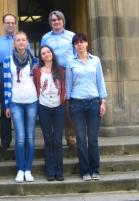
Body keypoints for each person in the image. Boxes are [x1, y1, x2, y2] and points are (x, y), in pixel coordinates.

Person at [66, 33, 107, 181]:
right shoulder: (71, 63)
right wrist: (68, 104)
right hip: (77, 104)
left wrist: (103, 101)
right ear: (74, 46)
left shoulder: (95, 60)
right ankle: (85, 171)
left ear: (87, 43)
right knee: (81, 139)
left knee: (93, 139)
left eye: (82, 41)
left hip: (94, 103)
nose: (80, 45)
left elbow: (100, 81)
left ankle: (95, 169)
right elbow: (68, 84)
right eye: (76, 43)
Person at [3, 31, 38, 183]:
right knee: (20, 137)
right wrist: (7, 104)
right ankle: (20, 169)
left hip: (32, 101)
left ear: (27, 42)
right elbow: (5, 83)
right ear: (14, 43)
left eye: (23, 40)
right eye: (18, 40)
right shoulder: (7, 59)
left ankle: (28, 169)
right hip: (15, 101)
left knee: (30, 137)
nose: (21, 42)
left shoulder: (34, 60)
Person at [41, 10, 76, 147]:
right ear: (50, 23)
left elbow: (76, 54)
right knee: (54, 102)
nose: (56, 22)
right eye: (53, 20)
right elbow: (43, 54)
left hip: (67, 72)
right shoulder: (46, 38)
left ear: (63, 21)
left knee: (67, 104)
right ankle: (54, 139)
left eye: (58, 19)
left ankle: (71, 136)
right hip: (51, 72)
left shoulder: (71, 36)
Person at [0, 13, 21, 157]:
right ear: (3, 24)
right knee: (4, 112)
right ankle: (5, 142)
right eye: (7, 22)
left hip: (19, 80)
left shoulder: (20, 40)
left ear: (15, 24)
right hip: (1, 78)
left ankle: (22, 140)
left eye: (12, 22)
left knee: (20, 109)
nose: (10, 25)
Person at [33, 45, 66, 182]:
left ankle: (59, 171)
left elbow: (65, 87)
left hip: (59, 107)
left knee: (57, 140)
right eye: (43, 53)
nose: (46, 54)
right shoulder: (37, 72)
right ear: (40, 57)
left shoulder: (61, 70)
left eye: (48, 52)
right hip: (44, 107)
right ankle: (50, 171)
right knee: (48, 140)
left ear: (52, 54)